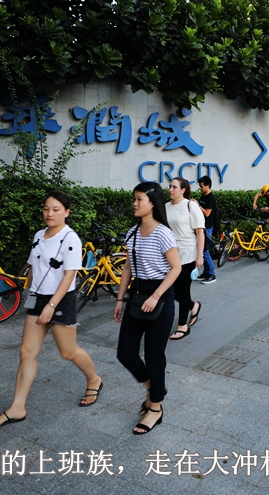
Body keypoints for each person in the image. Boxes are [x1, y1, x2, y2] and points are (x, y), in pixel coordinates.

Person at [0, 191, 103, 428]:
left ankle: (94, 379)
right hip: (38, 298)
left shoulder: (70, 238)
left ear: (66, 213)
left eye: (56, 209)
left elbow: (69, 275)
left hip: (60, 300)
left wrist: (51, 305)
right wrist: (27, 290)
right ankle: (17, 407)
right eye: (46, 208)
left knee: (67, 352)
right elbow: (33, 265)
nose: (50, 213)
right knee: (26, 352)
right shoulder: (39, 234)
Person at [114, 182, 183, 435]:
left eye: (139, 199)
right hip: (137, 293)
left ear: (153, 203)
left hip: (160, 295)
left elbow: (176, 268)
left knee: (154, 355)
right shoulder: (133, 232)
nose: (135, 203)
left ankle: (155, 407)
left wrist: (155, 295)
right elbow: (128, 267)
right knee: (125, 353)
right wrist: (119, 299)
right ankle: (154, 387)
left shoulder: (163, 233)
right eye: (134, 199)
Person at [166, 178, 204, 340]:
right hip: (170, 253)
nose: (170, 189)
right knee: (171, 290)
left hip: (188, 253)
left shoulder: (190, 205)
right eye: (170, 186)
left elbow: (200, 232)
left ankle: (182, 326)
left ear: (183, 190)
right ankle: (193, 306)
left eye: (174, 187)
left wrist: (199, 256)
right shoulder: (166, 207)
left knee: (182, 290)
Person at [196, 176, 218, 284]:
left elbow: (207, 213)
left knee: (204, 251)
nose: (200, 188)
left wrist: (197, 205)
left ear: (207, 185)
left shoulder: (210, 198)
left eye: (201, 186)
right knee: (202, 250)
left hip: (207, 227)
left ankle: (212, 274)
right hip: (202, 226)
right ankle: (206, 272)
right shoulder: (203, 196)